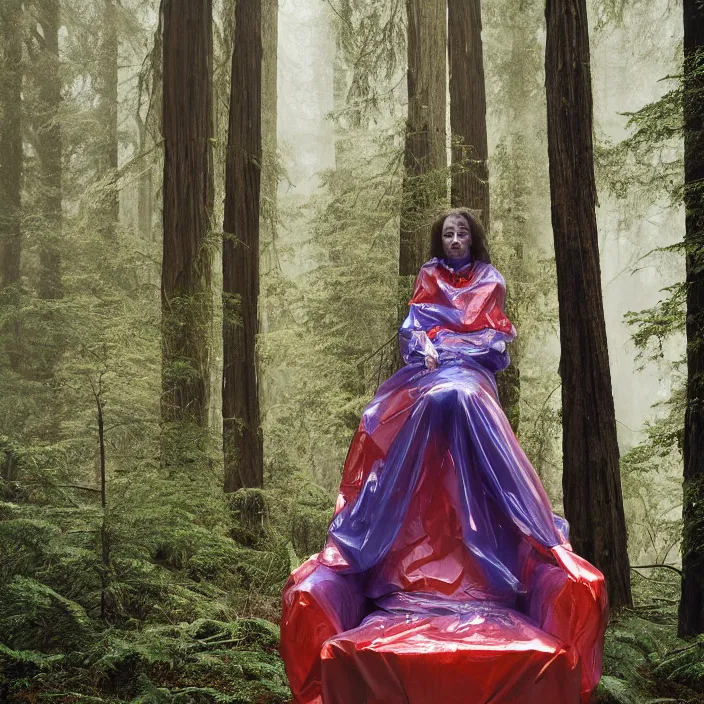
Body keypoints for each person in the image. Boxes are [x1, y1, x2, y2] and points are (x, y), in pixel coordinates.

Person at [280, 208, 608, 704]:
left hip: (471, 375)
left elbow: (493, 336)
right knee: (413, 404)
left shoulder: (489, 279)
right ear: (440, 240)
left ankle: (471, 453)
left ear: (474, 239)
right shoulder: (429, 275)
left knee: (459, 396)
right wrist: (427, 346)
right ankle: (419, 454)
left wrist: (455, 347)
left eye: (462, 233)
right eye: (448, 233)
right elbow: (417, 327)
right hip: (434, 373)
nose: (455, 240)